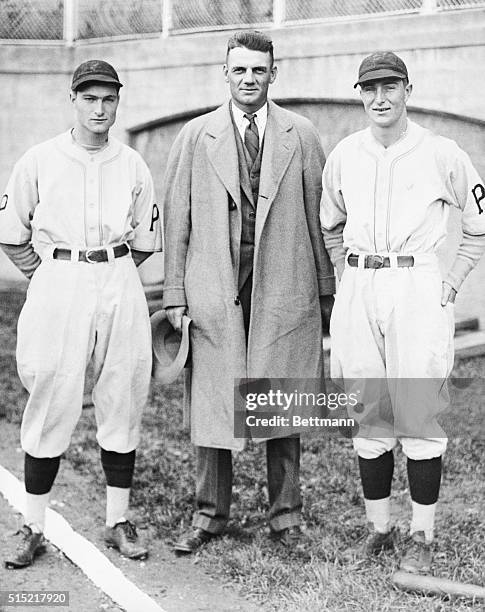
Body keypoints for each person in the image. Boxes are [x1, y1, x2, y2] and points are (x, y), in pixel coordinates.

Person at [162, 30, 335, 553]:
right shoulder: (196, 135)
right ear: (225, 73)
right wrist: (175, 293)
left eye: (258, 70)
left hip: (282, 286)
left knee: (279, 399)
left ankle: (287, 518)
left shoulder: (300, 134)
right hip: (215, 289)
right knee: (216, 403)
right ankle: (209, 515)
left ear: (273, 74)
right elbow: (178, 219)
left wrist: (325, 291)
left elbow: (317, 215)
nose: (248, 79)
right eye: (239, 70)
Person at [320, 51, 485, 573]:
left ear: (408, 89)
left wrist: (452, 281)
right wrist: (347, 281)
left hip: (417, 280)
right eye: (369, 88)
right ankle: (378, 528)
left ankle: (422, 533)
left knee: (416, 411)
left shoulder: (441, 152)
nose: (379, 97)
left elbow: (478, 224)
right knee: (369, 411)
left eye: (389, 86)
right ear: (360, 94)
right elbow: (330, 226)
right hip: (362, 280)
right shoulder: (345, 153)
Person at [1, 59, 162, 569]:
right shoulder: (40, 158)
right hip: (60, 274)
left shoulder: (132, 163)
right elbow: (12, 234)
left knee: (123, 391)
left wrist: (109, 275)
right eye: (90, 98)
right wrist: (50, 278)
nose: (99, 107)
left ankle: (118, 520)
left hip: (117, 273)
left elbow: (141, 241)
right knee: (52, 390)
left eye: (108, 98)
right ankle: (33, 525)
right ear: (73, 100)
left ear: (118, 102)